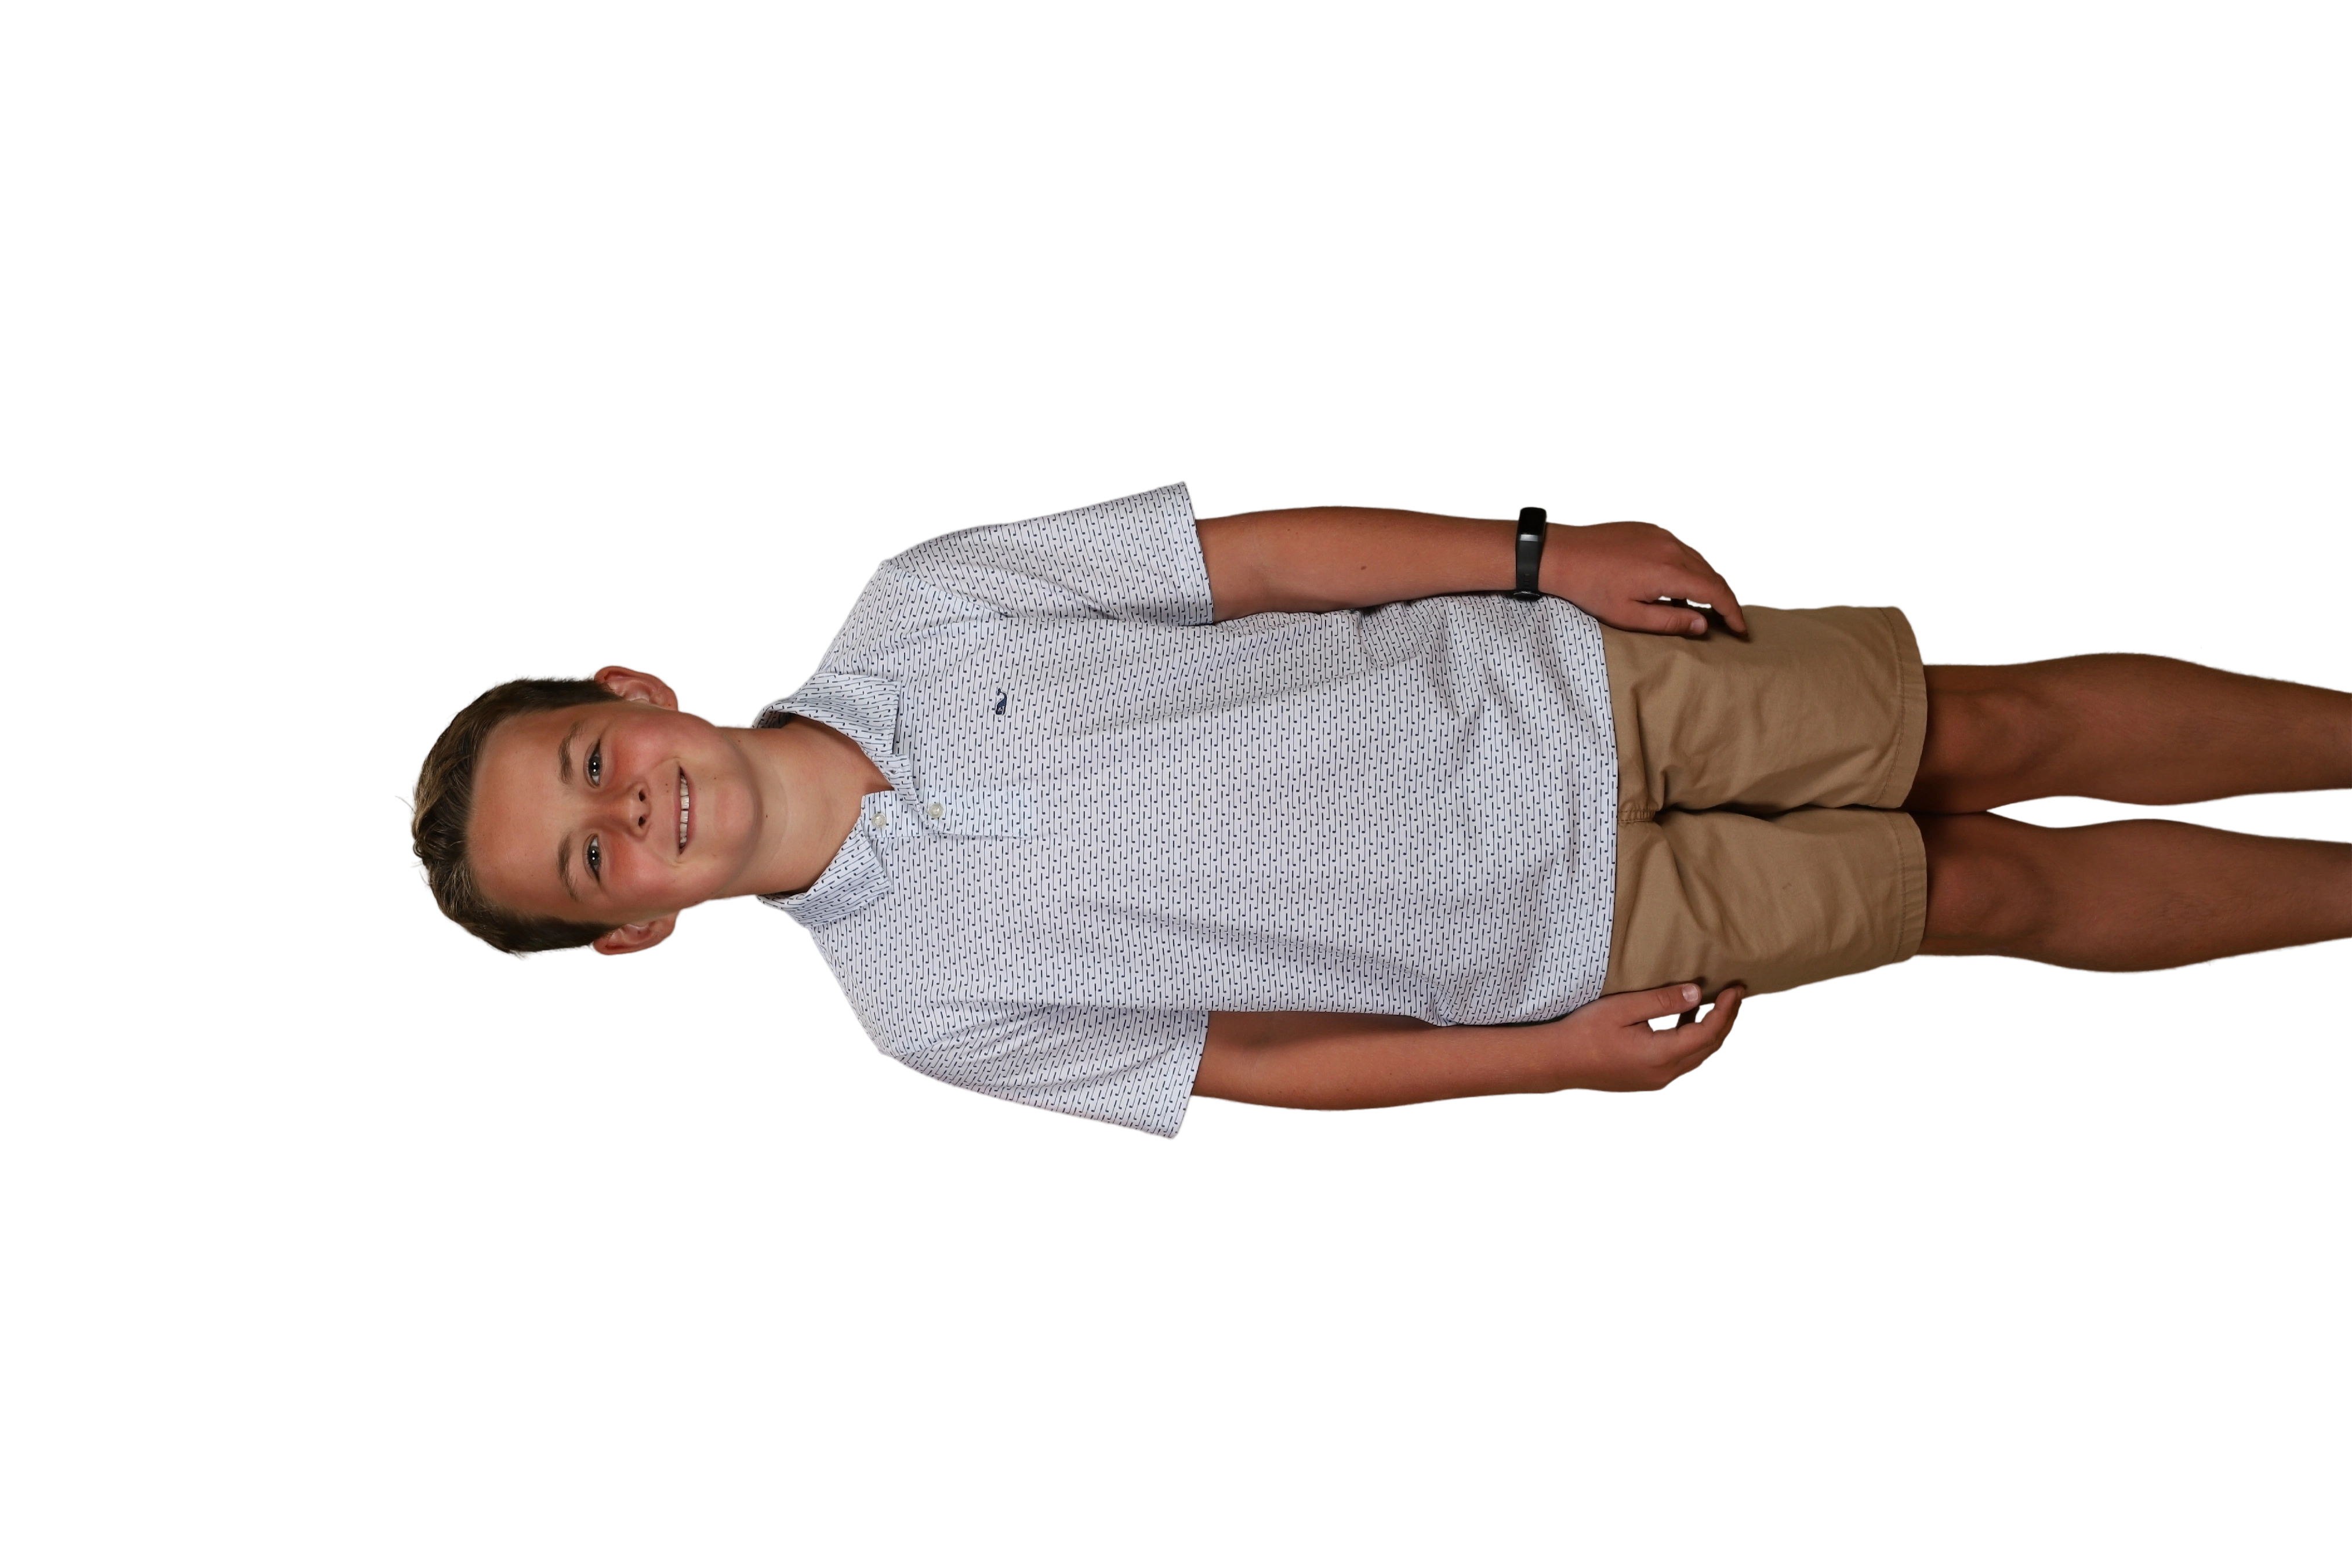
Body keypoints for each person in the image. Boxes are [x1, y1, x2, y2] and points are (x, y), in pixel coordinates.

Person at [394, 480, 2352, 1139]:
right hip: (1569, 941)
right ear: (636, 926)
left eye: (589, 764)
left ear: (630, 692)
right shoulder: (921, 1010)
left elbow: (1246, 563)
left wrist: (1540, 552)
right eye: (593, 860)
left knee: (1987, 729)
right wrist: (1549, 1058)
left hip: (1565, 685)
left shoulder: (927, 600)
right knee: (1984, 899)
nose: (633, 810)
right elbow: (1256, 1065)